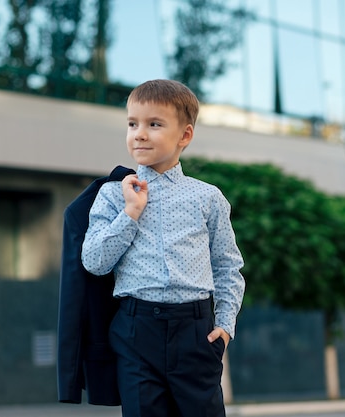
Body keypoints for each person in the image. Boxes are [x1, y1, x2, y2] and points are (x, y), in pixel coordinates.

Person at [81, 79, 245, 417]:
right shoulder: (113, 195)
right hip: (136, 331)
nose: (139, 133)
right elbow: (94, 262)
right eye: (132, 124)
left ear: (184, 135)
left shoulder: (207, 198)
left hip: (196, 334)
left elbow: (228, 267)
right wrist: (130, 213)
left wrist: (225, 326)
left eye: (154, 124)